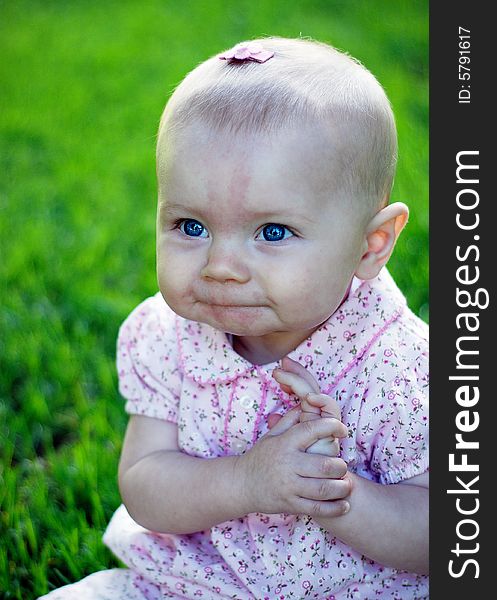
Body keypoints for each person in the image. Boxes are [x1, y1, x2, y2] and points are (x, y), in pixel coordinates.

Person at [40, 37, 429, 599]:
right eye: (191, 226)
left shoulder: (405, 369)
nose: (221, 267)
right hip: (189, 585)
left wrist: (329, 489)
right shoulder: (168, 338)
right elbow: (146, 488)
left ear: (372, 244)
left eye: (272, 232)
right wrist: (248, 480)